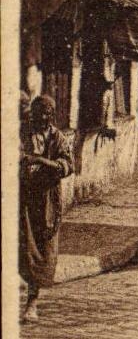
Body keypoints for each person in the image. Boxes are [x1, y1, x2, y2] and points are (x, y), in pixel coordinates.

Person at [20, 93, 74, 322]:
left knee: (41, 249)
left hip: (46, 202)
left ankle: (32, 302)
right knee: (23, 248)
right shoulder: (21, 132)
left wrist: (42, 161)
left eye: (45, 114)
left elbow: (68, 165)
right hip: (22, 198)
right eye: (36, 114)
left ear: (51, 116)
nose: (40, 118)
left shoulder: (57, 137)